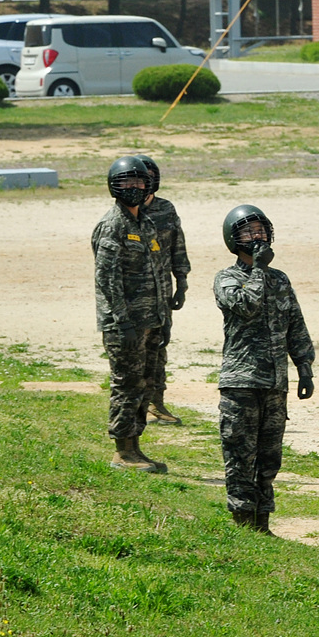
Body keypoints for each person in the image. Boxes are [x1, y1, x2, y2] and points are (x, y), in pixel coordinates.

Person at [213, 204, 316, 535]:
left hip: (275, 384)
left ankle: (263, 524)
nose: (256, 236)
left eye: (260, 230)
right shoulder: (226, 279)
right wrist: (257, 270)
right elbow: (245, 305)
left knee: (269, 459)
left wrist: (304, 366)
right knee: (240, 457)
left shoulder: (279, 279)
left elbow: (295, 324)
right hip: (240, 383)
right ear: (233, 239)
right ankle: (242, 524)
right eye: (248, 232)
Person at [91, 155, 169, 473]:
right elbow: (107, 280)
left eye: (140, 182)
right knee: (126, 384)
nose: (135, 187)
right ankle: (122, 452)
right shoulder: (112, 225)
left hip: (149, 321)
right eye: (127, 182)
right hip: (124, 325)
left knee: (144, 384)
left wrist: (160, 318)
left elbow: (157, 272)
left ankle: (135, 447)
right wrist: (122, 321)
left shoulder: (145, 224)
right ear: (114, 186)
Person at [135, 154, 191, 426]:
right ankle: (135, 404)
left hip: (162, 295)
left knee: (158, 348)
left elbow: (177, 246)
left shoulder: (165, 209)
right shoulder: (125, 212)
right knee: (135, 351)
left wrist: (181, 282)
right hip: (135, 295)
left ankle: (156, 403)